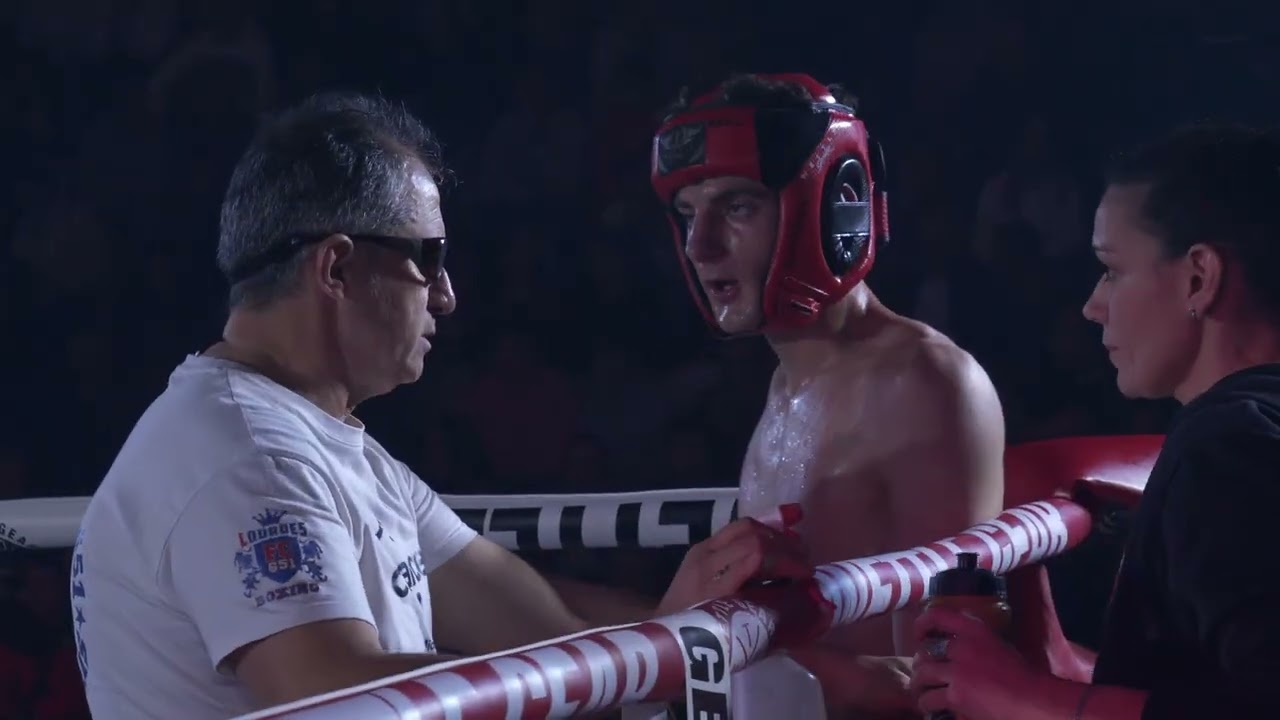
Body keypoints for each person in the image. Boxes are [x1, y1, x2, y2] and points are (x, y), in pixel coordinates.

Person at [70, 92, 807, 720]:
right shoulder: (245, 456)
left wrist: (681, 629)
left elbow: (540, 627)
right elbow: (334, 702)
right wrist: (661, 646)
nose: (447, 296)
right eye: (427, 258)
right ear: (337, 266)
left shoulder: (325, 447)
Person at [649, 73, 1006, 718]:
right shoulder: (788, 382)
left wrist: (710, 646)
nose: (701, 246)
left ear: (830, 204)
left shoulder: (921, 384)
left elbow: (940, 683)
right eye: (687, 214)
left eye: (736, 206)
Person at [910, 123, 1280, 718]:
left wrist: (1025, 697)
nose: (1092, 304)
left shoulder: (1227, 448)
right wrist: (1053, 674)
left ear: (1198, 278)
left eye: (1112, 269)